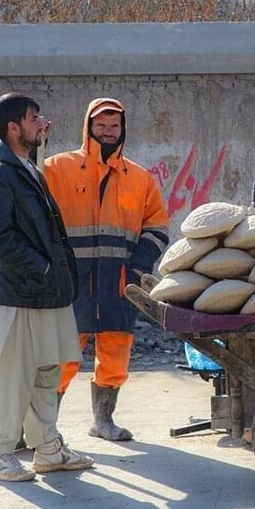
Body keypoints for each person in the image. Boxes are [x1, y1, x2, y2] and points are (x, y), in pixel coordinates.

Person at [0, 92, 93, 481]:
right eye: (34, 118)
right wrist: (41, 267)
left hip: (44, 293)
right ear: (13, 127)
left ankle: (48, 449)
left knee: (45, 372)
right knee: (11, 377)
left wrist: (49, 275)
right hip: (18, 293)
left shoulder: (22, 165)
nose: (43, 123)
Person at [43, 98, 170, 441]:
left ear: (123, 129)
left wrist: (138, 266)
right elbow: (37, 215)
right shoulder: (56, 168)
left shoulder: (139, 178)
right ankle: (43, 428)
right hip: (72, 281)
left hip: (118, 282)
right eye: (101, 126)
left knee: (116, 352)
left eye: (114, 126)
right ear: (89, 127)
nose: (108, 132)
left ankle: (103, 422)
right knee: (63, 355)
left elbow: (157, 226)